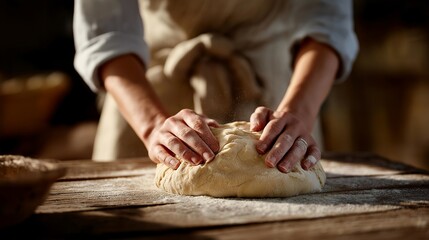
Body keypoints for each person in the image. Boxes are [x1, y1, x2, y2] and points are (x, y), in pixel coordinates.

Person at [73, 0, 358, 173]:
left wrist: (298, 113)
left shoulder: (292, 114)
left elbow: (328, 22)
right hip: (147, 95)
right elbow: (106, 32)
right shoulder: (151, 123)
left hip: (280, 95)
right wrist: (152, 126)